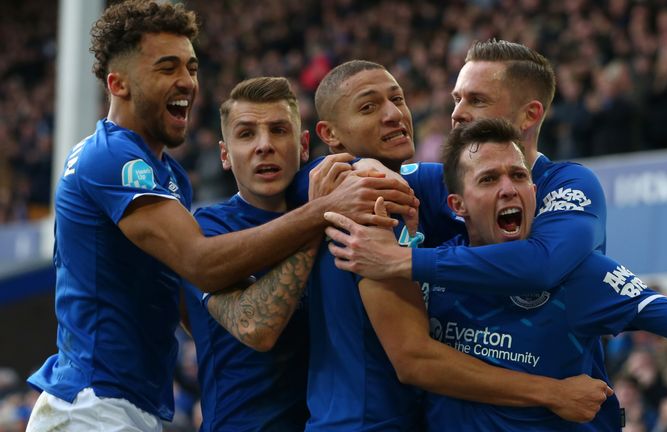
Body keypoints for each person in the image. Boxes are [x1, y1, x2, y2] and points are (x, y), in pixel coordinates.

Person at [25, 2, 414, 430]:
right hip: (92, 404)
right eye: (166, 68)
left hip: (130, 403)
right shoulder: (110, 155)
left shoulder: (168, 175)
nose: (187, 82)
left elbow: (192, 300)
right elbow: (201, 264)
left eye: (191, 68)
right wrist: (321, 212)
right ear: (119, 84)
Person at [325, 118, 667, 430]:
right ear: (456, 206)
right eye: (488, 179)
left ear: (535, 191)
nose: (508, 188)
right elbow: (412, 362)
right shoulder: (432, 265)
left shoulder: (582, 276)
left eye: (518, 175)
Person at [300, 60, 611, 431]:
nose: (458, 114)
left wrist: (405, 257)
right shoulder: (369, 199)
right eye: (369, 107)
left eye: (397, 99)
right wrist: (553, 393)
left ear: (529, 114)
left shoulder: (567, 182)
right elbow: (415, 359)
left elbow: (540, 265)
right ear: (328, 133)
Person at [181, 77, 319, 431]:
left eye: (278, 130)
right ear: (225, 155)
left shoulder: (334, 215)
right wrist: (318, 218)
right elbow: (255, 327)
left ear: (304, 146)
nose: (264, 146)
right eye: (246, 134)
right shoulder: (206, 231)